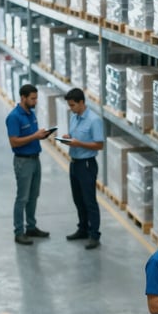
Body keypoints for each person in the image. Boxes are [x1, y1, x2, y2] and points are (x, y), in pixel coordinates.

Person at [5, 84, 52, 246]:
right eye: (32, 98)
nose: (35, 101)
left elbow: (32, 136)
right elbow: (14, 142)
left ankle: (31, 227)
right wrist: (34, 136)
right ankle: (19, 232)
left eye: (36, 98)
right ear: (23, 98)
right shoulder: (14, 117)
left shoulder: (31, 114)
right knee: (22, 198)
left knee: (33, 196)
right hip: (23, 161)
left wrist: (41, 135)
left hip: (35, 159)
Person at [61, 88, 105, 250]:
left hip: (87, 164)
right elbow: (75, 137)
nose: (71, 108)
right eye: (69, 105)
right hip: (74, 163)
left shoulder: (94, 120)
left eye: (73, 105)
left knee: (89, 201)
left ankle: (94, 235)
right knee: (78, 199)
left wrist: (78, 143)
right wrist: (68, 138)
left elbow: (99, 145)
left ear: (81, 102)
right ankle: (83, 229)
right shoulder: (74, 117)